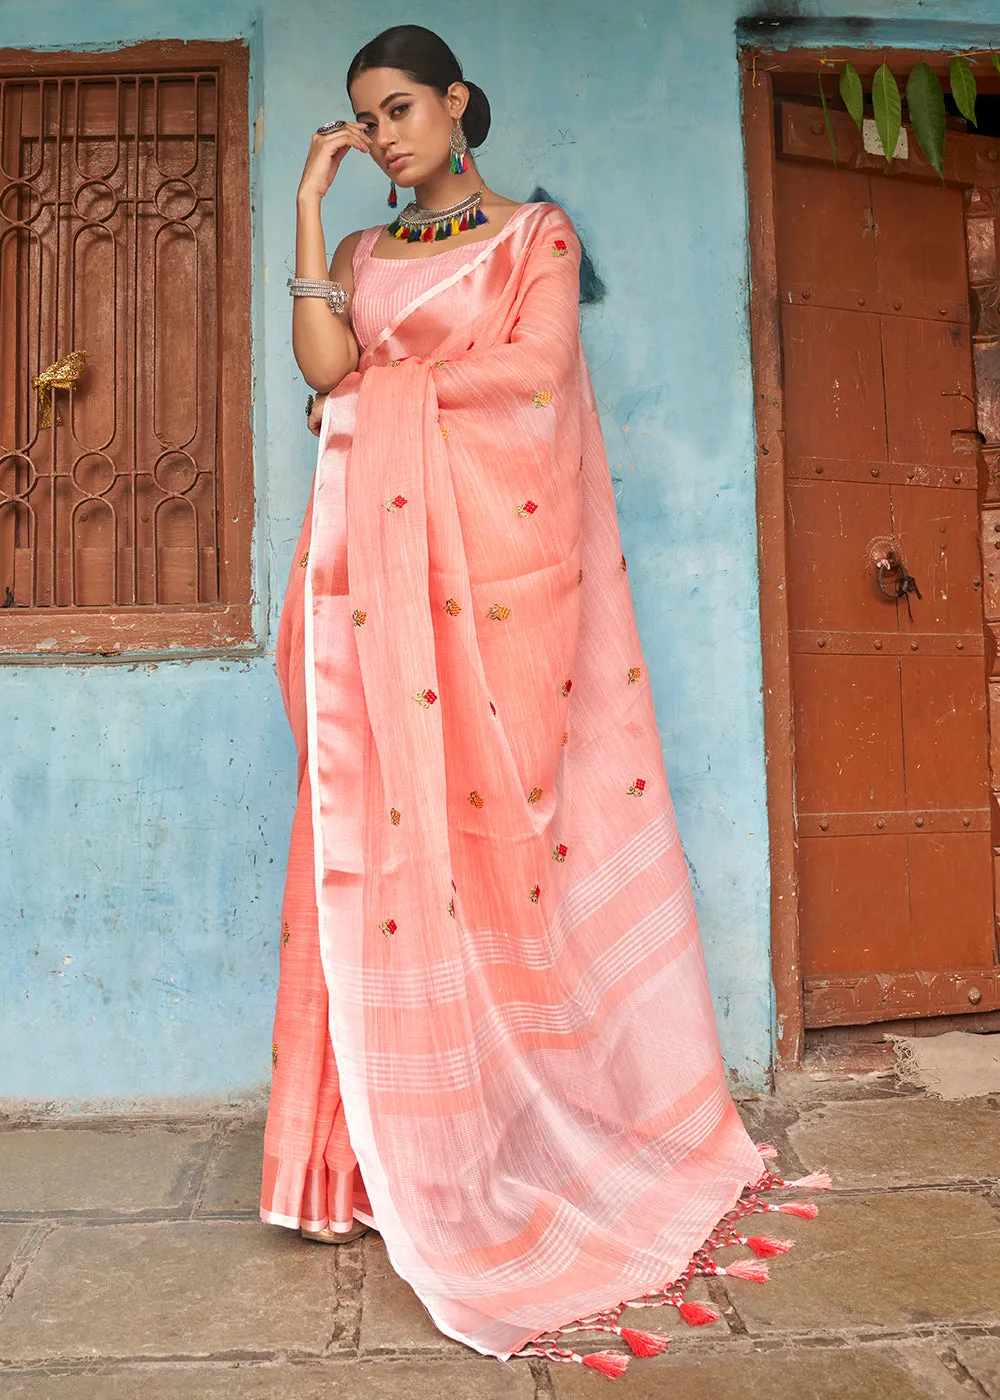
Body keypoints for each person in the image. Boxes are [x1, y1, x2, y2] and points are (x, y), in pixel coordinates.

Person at [260, 23, 823, 1376]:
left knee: (492, 855)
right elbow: (327, 378)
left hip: (498, 594)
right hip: (380, 606)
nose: (388, 136)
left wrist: (385, 400)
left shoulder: (533, 244)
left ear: (458, 104)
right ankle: (356, 1165)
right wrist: (304, 210)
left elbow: (531, 383)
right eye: (367, 121)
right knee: (370, 847)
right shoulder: (361, 257)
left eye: (403, 109)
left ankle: (511, 1136)